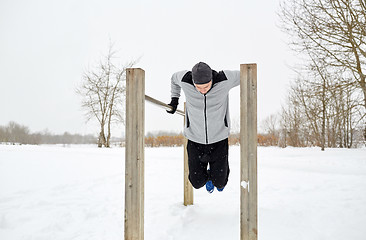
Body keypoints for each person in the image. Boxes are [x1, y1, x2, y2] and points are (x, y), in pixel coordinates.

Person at [167, 62, 240, 193]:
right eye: (198, 87)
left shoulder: (225, 79)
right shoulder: (185, 79)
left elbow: (246, 74)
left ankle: (215, 177)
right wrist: (174, 99)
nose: (202, 90)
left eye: (206, 86)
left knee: (220, 182)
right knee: (196, 182)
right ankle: (208, 176)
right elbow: (173, 78)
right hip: (195, 140)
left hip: (219, 139)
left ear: (212, 79)